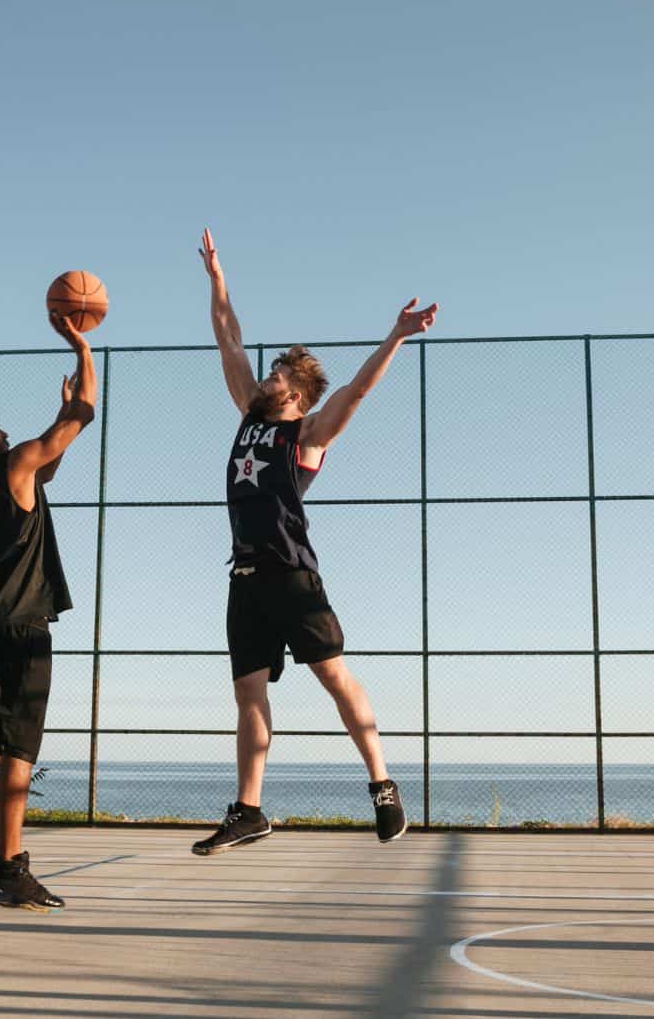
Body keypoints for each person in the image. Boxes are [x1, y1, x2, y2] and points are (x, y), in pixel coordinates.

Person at [192, 227, 437, 855]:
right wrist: (218, 279)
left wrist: (396, 336)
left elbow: (355, 392)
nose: (265, 376)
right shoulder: (249, 414)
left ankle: (382, 784)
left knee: (333, 676)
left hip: (292, 575)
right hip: (244, 577)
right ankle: (248, 809)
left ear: (294, 394)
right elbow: (227, 337)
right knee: (249, 691)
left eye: (275, 374)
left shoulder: (306, 435)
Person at [0, 310, 97, 909]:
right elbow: (84, 416)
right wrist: (81, 347)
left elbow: (54, 452)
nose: (5, 430)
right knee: (18, 752)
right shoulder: (11, 466)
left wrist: (62, 418)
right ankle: (11, 865)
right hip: (20, 627)